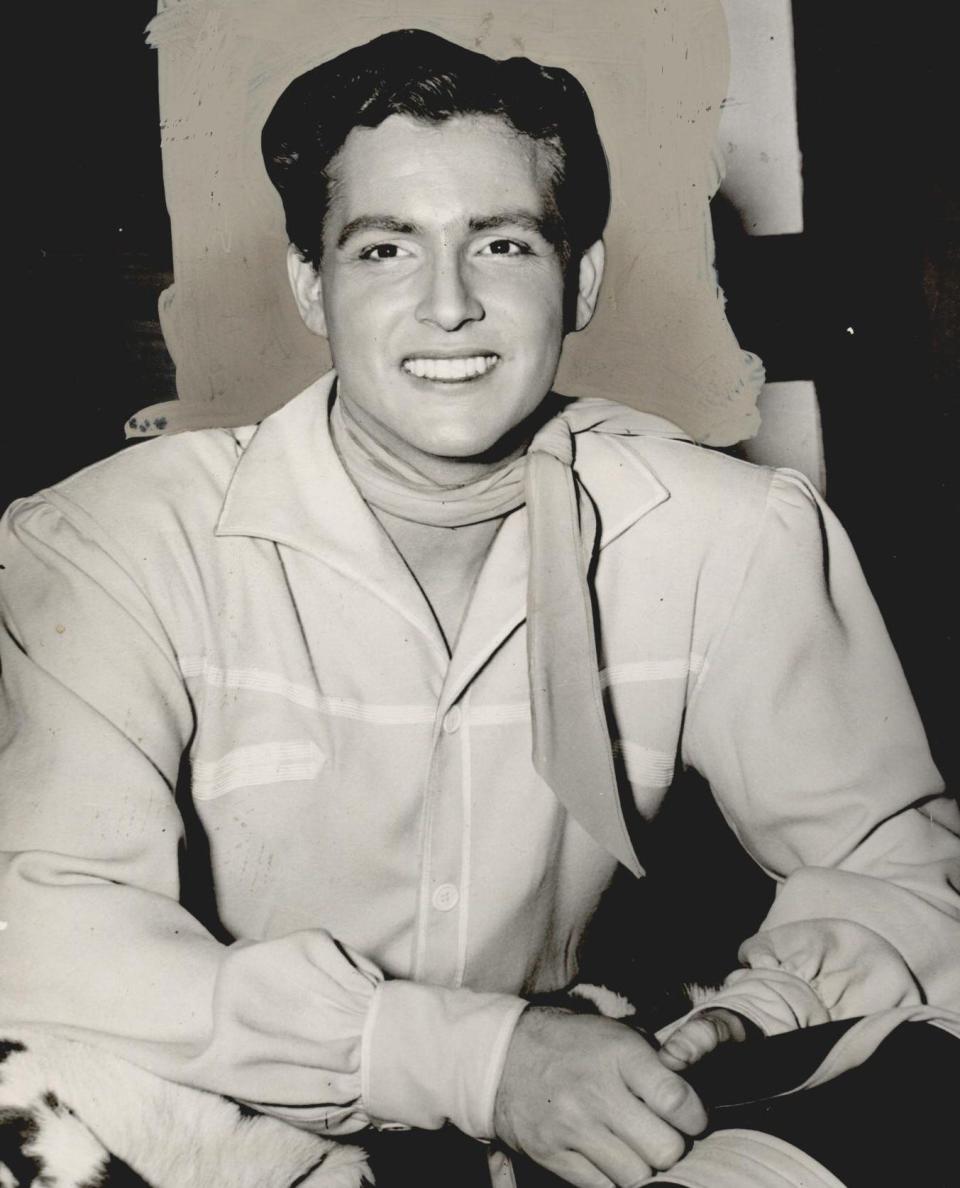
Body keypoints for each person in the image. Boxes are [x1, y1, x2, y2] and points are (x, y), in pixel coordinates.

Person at [0, 28, 957, 1188]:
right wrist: (468, 1060)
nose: (449, 305)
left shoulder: (728, 532)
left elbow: (896, 866)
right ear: (313, 283)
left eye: (501, 243)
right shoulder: (107, 544)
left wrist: (758, 1013)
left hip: (569, 1121)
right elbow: (49, 937)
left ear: (582, 279)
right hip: (233, 1129)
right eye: (386, 249)